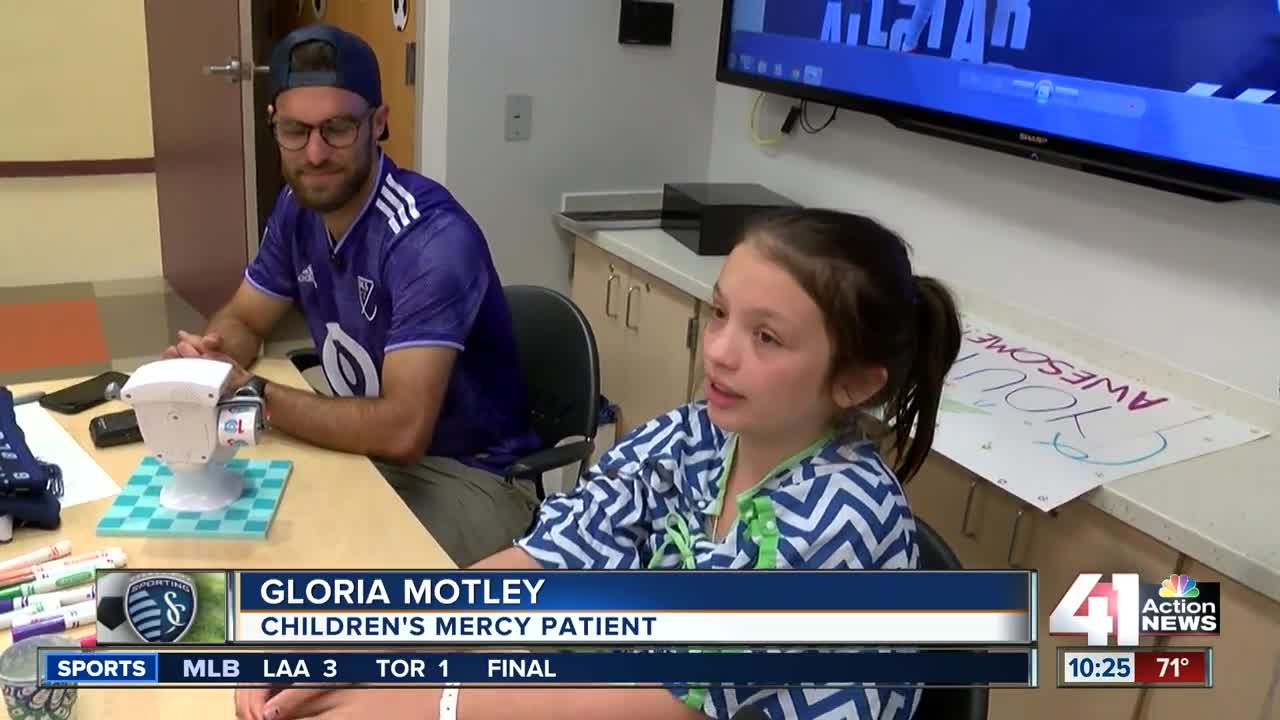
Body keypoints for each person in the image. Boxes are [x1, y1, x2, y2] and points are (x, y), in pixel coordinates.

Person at [234, 208, 964, 720]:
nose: (719, 351)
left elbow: (675, 700)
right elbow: (550, 554)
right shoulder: (699, 435)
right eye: (719, 314)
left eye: (767, 337)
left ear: (855, 382)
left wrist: (434, 702)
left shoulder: (841, 518)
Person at [163, 25, 542, 567]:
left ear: (378, 124)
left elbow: (402, 429)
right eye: (295, 130)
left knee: (327, 584)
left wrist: (253, 394)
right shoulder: (298, 208)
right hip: (368, 452)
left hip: (472, 476)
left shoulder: (431, 240)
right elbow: (247, 317)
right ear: (274, 126)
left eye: (337, 128)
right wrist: (214, 354)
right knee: (232, 529)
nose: (314, 153)